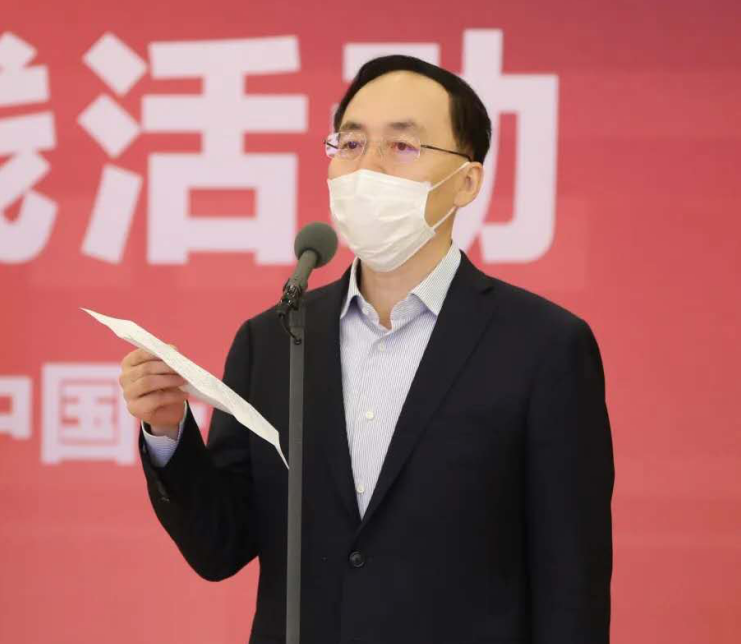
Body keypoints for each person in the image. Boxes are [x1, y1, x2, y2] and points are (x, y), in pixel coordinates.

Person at [119, 55, 614, 644]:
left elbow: (571, 582)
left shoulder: (544, 347)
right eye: (351, 144)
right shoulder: (274, 339)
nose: (367, 167)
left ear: (466, 181)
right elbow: (219, 545)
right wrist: (168, 432)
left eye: (402, 146)